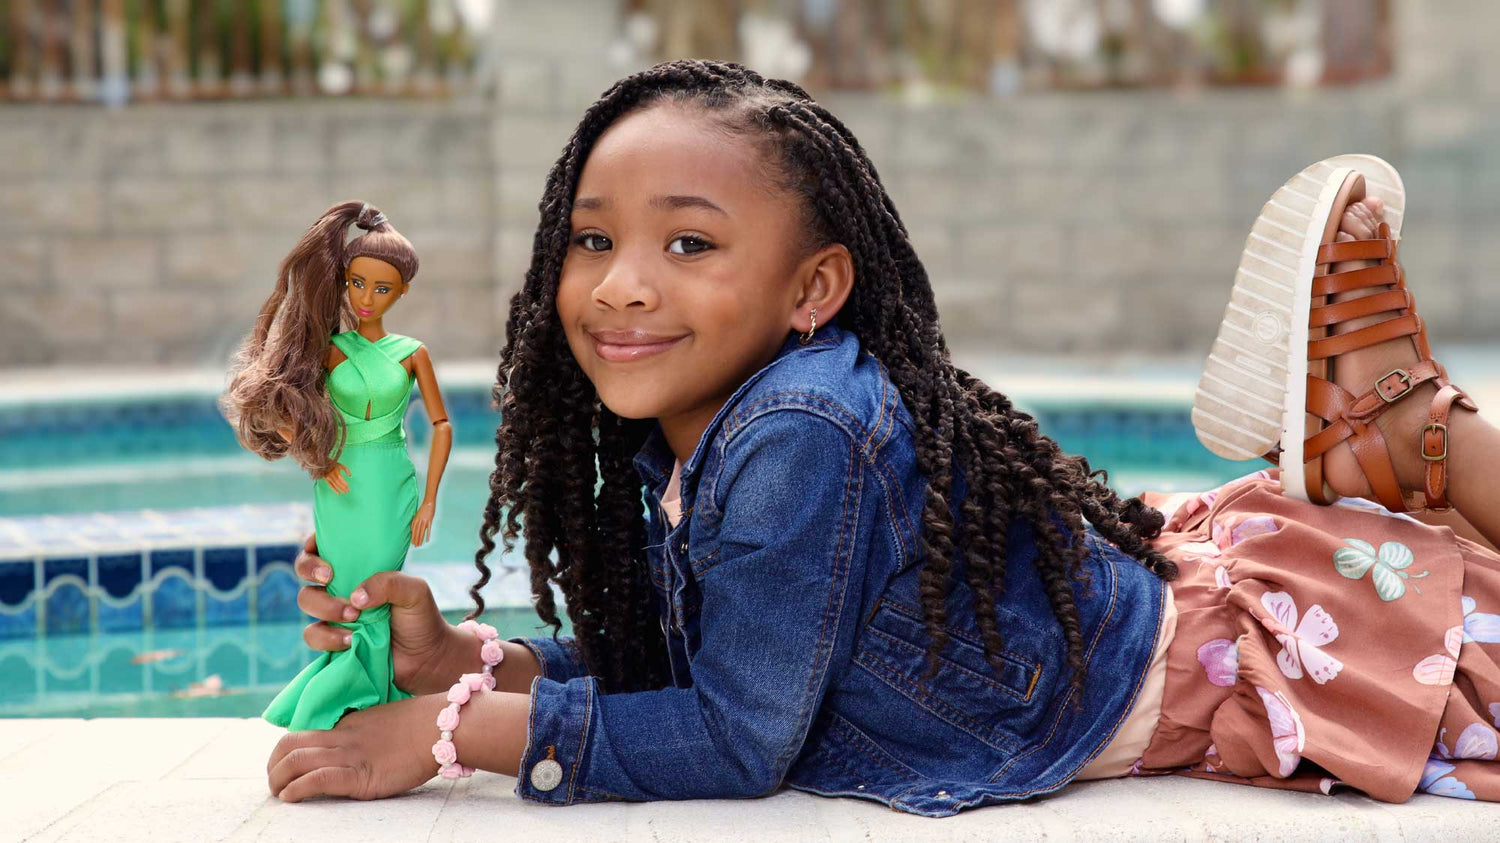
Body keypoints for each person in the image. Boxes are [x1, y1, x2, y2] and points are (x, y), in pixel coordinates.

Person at [264, 60, 1498, 814]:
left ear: (813, 290)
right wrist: (471, 661)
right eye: (594, 240)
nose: (621, 285)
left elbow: (737, 736)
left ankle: (1416, 435)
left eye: (689, 243)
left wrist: (448, 737)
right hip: (1175, 611)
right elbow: (712, 663)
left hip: (1221, 663)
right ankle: (1395, 445)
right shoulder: (711, 435)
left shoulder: (798, 430)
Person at [220, 201, 453, 731]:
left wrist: (432, 500)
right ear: (344, 282)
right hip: (341, 482)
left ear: (402, 293)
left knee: (380, 587)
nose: (367, 298)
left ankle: (368, 699)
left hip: (393, 481)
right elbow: (272, 401)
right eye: (357, 283)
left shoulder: (412, 352)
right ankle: (353, 698)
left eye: (382, 288)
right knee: (348, 592)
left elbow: (442, 426)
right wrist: (316, 461)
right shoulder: (328, 350)